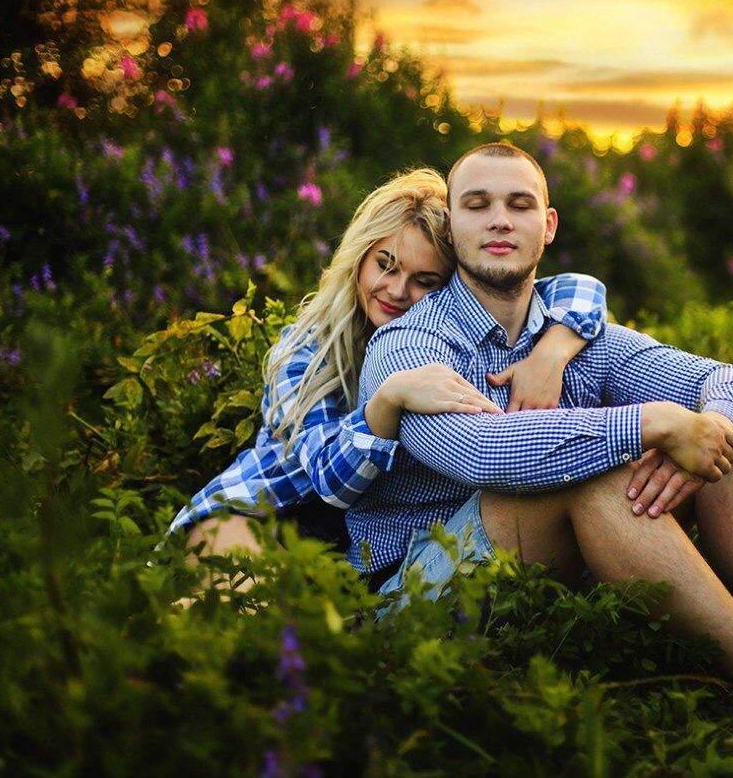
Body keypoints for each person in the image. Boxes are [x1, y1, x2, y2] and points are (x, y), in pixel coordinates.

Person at [358, 143, 733, 742]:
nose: (500, 219)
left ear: (547, 225)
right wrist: (652, 425)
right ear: (454, 228)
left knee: (724, 449)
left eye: (519, 204)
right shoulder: (406, 343)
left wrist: (700, 433)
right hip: (421, 592)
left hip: (540, 572)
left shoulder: (572, 331)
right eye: (478, 205)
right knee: (599, 476)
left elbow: (727, 383)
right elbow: (479, 450)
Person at [169, 168, 611, 592]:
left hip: (346, 544)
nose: (398, 291)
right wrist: (387, 400)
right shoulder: (309, 348)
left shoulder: (435, 337)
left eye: (424, 280)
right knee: (238, 625)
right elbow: (328, 479)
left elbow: (579, 288)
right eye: (386, 265)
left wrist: (552, 352)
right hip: (260, 512)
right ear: (360, 256)